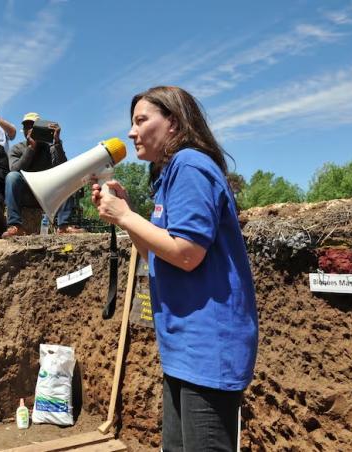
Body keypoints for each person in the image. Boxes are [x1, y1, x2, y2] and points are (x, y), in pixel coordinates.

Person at [91, 86, 258, 451]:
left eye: (141, 120)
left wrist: (127, 216)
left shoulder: (190, 166)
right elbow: (158, 255)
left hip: (207, 349)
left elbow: (187, 253)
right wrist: (127, 216)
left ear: (174, 124)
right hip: (185, 350)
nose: (132, 132)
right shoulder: (170, 177)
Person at [1, 112, 85, 238]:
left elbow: (64, 167)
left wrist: (57, 142)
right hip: (26, 195)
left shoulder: (50, 147)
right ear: (23, 131)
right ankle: (16, 226)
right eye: (27, 127)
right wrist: (30, 149)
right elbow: (15, 170)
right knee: (12, 177)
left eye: (33, 127)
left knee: (67, 175)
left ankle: (63, 226)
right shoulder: (16, 149)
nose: (30, 130)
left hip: (48, 195)